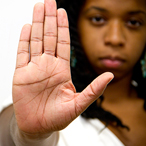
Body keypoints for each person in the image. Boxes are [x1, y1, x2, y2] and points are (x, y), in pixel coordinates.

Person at [0, 0, 146, 145]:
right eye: (98, 19)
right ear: (75, 23)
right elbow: (7, 134)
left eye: (133, 23)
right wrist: (29, 136)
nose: (115, 39)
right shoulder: (48, 96)